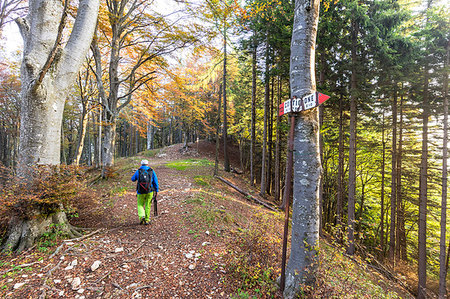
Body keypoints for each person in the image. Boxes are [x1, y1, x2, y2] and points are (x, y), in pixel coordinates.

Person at [131, 159, 159, 225]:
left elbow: (132, 179)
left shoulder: (138, 171)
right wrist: (156, 190)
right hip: (150, 191)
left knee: (140, 204)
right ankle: (147, 220)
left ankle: (141, 216)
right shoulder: (151, 171)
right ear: (147, 164)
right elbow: (155, 182)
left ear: (141, 164)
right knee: (147, 205)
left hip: (140, 191)